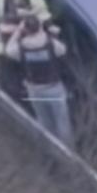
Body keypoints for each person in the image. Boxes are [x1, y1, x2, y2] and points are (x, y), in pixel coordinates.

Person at [5, 15, 74, 148]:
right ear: (40, 27)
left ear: (25, 30)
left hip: (35, 90)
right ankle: (68, 152)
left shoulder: (21, 47)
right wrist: (48, 32)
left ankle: (50, 150)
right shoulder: (51, 43)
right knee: (63, 123)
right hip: (54, 89)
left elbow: (8, 50)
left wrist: (17, 32)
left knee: (45, 123)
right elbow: (63, 50)